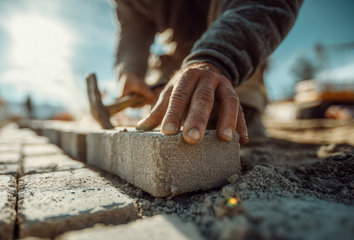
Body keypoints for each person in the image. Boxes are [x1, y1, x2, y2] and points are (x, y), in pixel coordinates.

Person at [114, 0, 302, 144]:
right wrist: (130, 68)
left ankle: (242, 96)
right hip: (175, 61)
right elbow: (132, 25)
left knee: (229, 127)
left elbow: (265, 5)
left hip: (236, 50)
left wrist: (218, 57)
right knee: (165, 125)